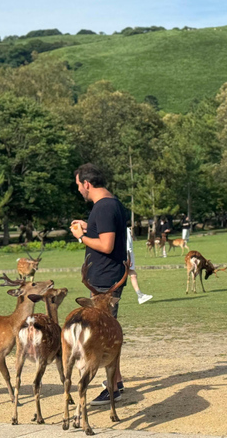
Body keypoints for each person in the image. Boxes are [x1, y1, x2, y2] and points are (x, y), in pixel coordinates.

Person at [70, 163, 142, 406]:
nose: (79, 189)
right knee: (109, 330)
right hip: (107, 276)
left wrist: (81, 237)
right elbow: (107, 233)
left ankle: (112, 388)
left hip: (104, 281)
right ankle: (116, 382)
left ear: (87, 184)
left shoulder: (103, 207)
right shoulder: (112, 203)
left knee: (105, 334)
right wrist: (89, 227)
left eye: (79, 185)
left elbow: (107, 245)